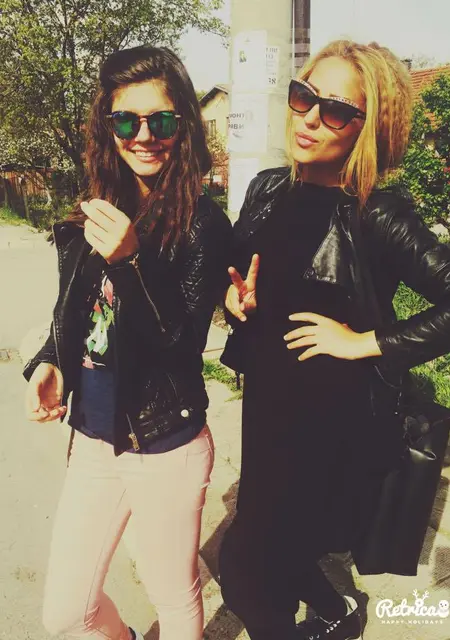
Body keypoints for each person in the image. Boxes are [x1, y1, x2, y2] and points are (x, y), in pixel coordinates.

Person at [218, 40, 450, 640]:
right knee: (277, 549)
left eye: (337, 110)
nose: (311, 118)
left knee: (244, 568)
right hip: (266, 403)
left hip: (328, 423)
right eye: (304, 97)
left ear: (368, 129)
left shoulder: (379, 214)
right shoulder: (267, 188)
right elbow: (241, 275)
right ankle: (339, 611)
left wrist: (365, 341)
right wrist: (236, 302)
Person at [23, 45, 231, 640]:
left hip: (165, 442)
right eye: (126, 121)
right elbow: (73, 311)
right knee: (68, 612)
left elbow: (180, 343)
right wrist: (50, 362)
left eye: (161, 120)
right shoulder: (96, 209)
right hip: (94, 436)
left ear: (182, 125)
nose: (144, 136)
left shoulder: (201, 224)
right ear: (107, 125)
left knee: (174, 598)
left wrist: (132, 262)